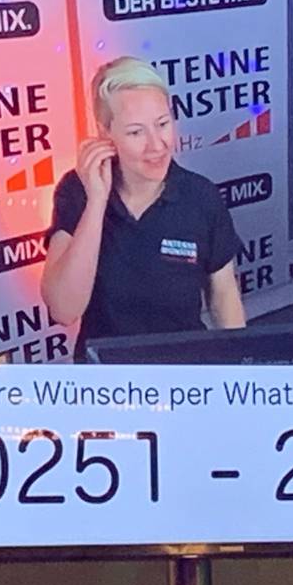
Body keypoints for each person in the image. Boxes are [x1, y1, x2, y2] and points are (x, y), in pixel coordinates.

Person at [42, 56, 246, 358]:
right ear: (105, 134)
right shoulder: (77, 191)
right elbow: (64, 310)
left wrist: (240, 365)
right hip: (106, 372)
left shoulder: (200, 197)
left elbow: (224, 295)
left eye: (162, 124)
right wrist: (96, 202)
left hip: (181, 367)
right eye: (136, 132)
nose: (156, 145)